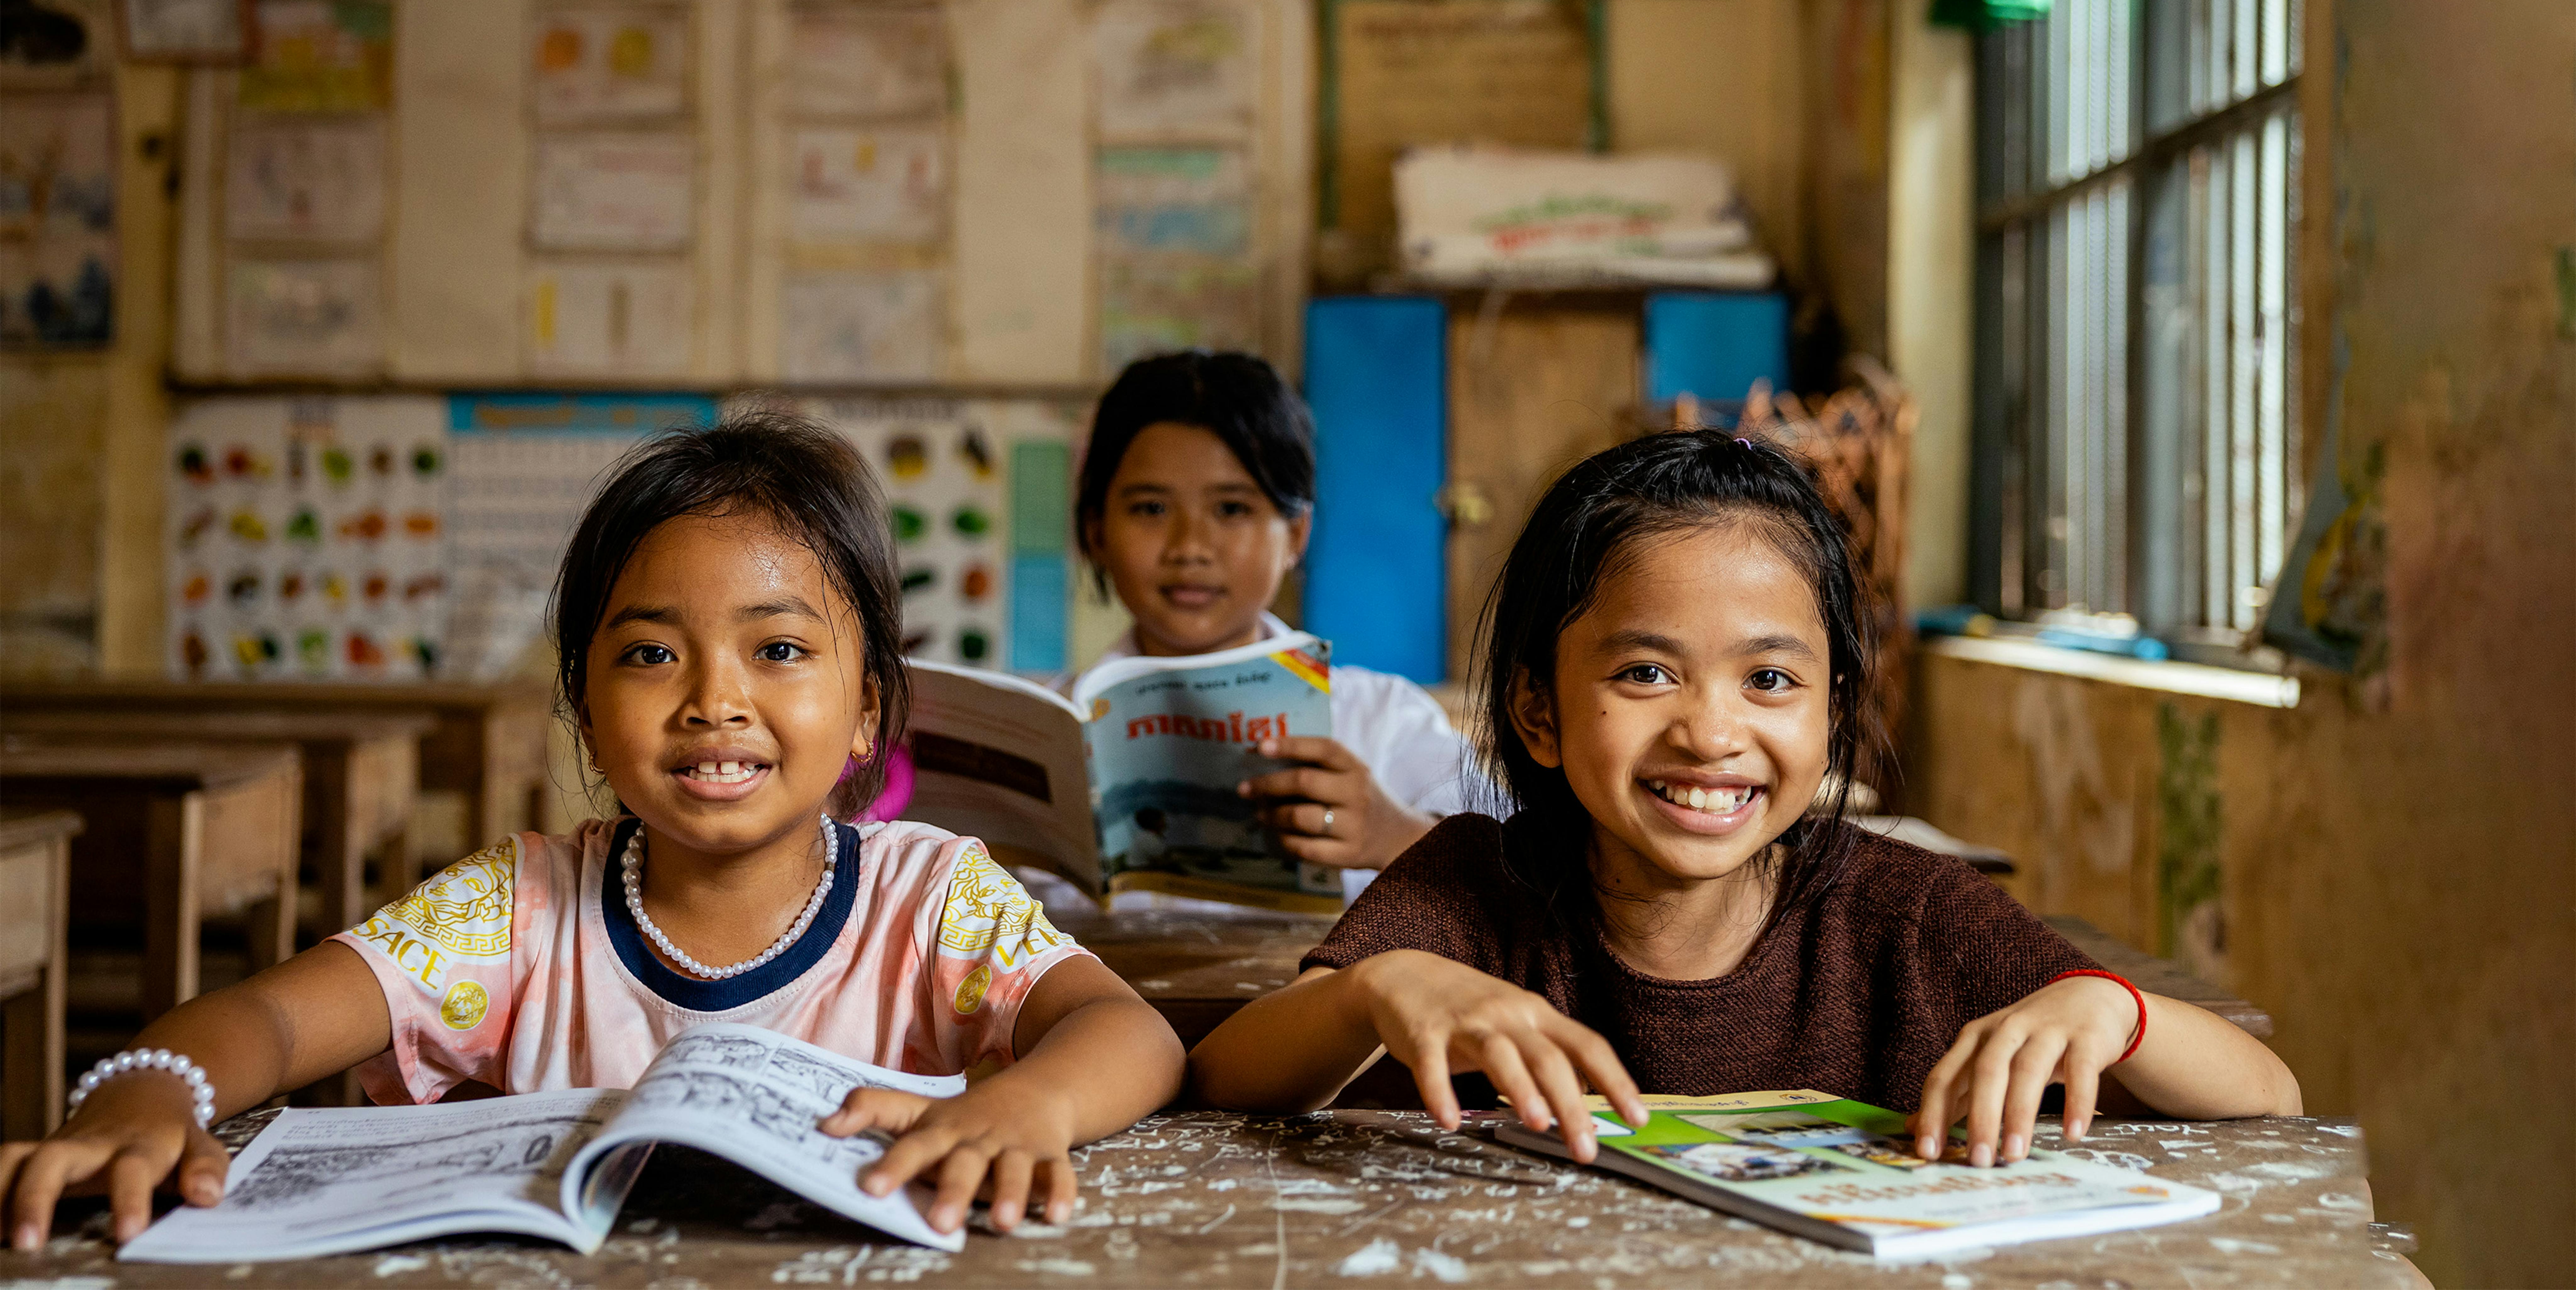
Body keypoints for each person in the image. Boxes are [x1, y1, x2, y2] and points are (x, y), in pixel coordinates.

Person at [1, 412, 1183, 1249]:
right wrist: (145, 1093)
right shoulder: (516, 906)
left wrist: (1027, 1104)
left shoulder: (929, 896)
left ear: (869, 704)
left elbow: (1128, 1032)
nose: (714, 698)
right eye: (650, 651)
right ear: (582, 705)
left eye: (777, 648)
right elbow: (262, 1013)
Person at [1186, 430, 2300, 1167]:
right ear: (1537, 710)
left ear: (1830, 713)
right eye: (1644, 672)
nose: (1712, 732)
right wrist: (1376, 988)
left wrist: (2116, 1009)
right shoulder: (1481, 885)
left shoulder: (1903, 911)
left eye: (1770, 679)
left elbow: (2270, 1097)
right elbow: (1220, 1074)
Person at [1063, 350, 1479, 901]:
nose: (1190, 548)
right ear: (1096, 533)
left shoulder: (1383, 721)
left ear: (1297, 533)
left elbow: (1525, 884)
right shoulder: (1049, 729)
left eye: (1232, 509)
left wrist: (1395, 835)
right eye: (1151, 509)